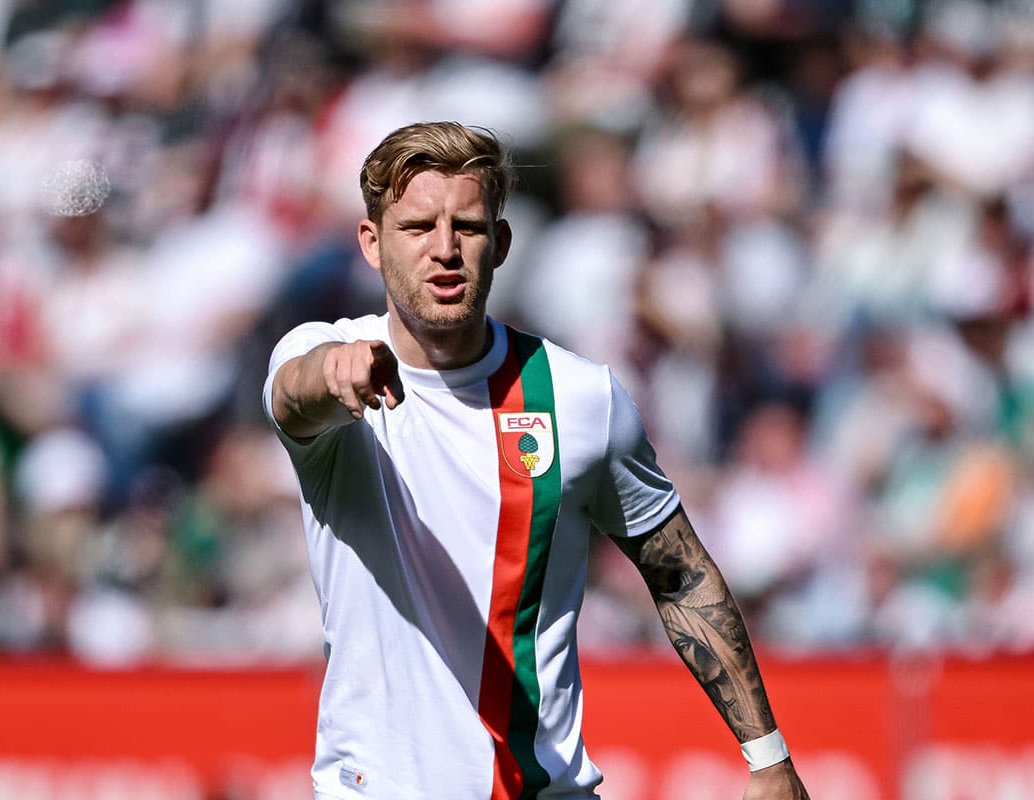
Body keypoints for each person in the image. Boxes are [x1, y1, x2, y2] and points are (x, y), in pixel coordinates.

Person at [263, 121, 810, 800]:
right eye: (416, 227)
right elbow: (293, 397)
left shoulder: (581, 398)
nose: (444, 249)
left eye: (466, 226)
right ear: (372, 245)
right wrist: (331, 374)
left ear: (501, 244)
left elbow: (680, 576)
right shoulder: (323, 354)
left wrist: (769, 758)